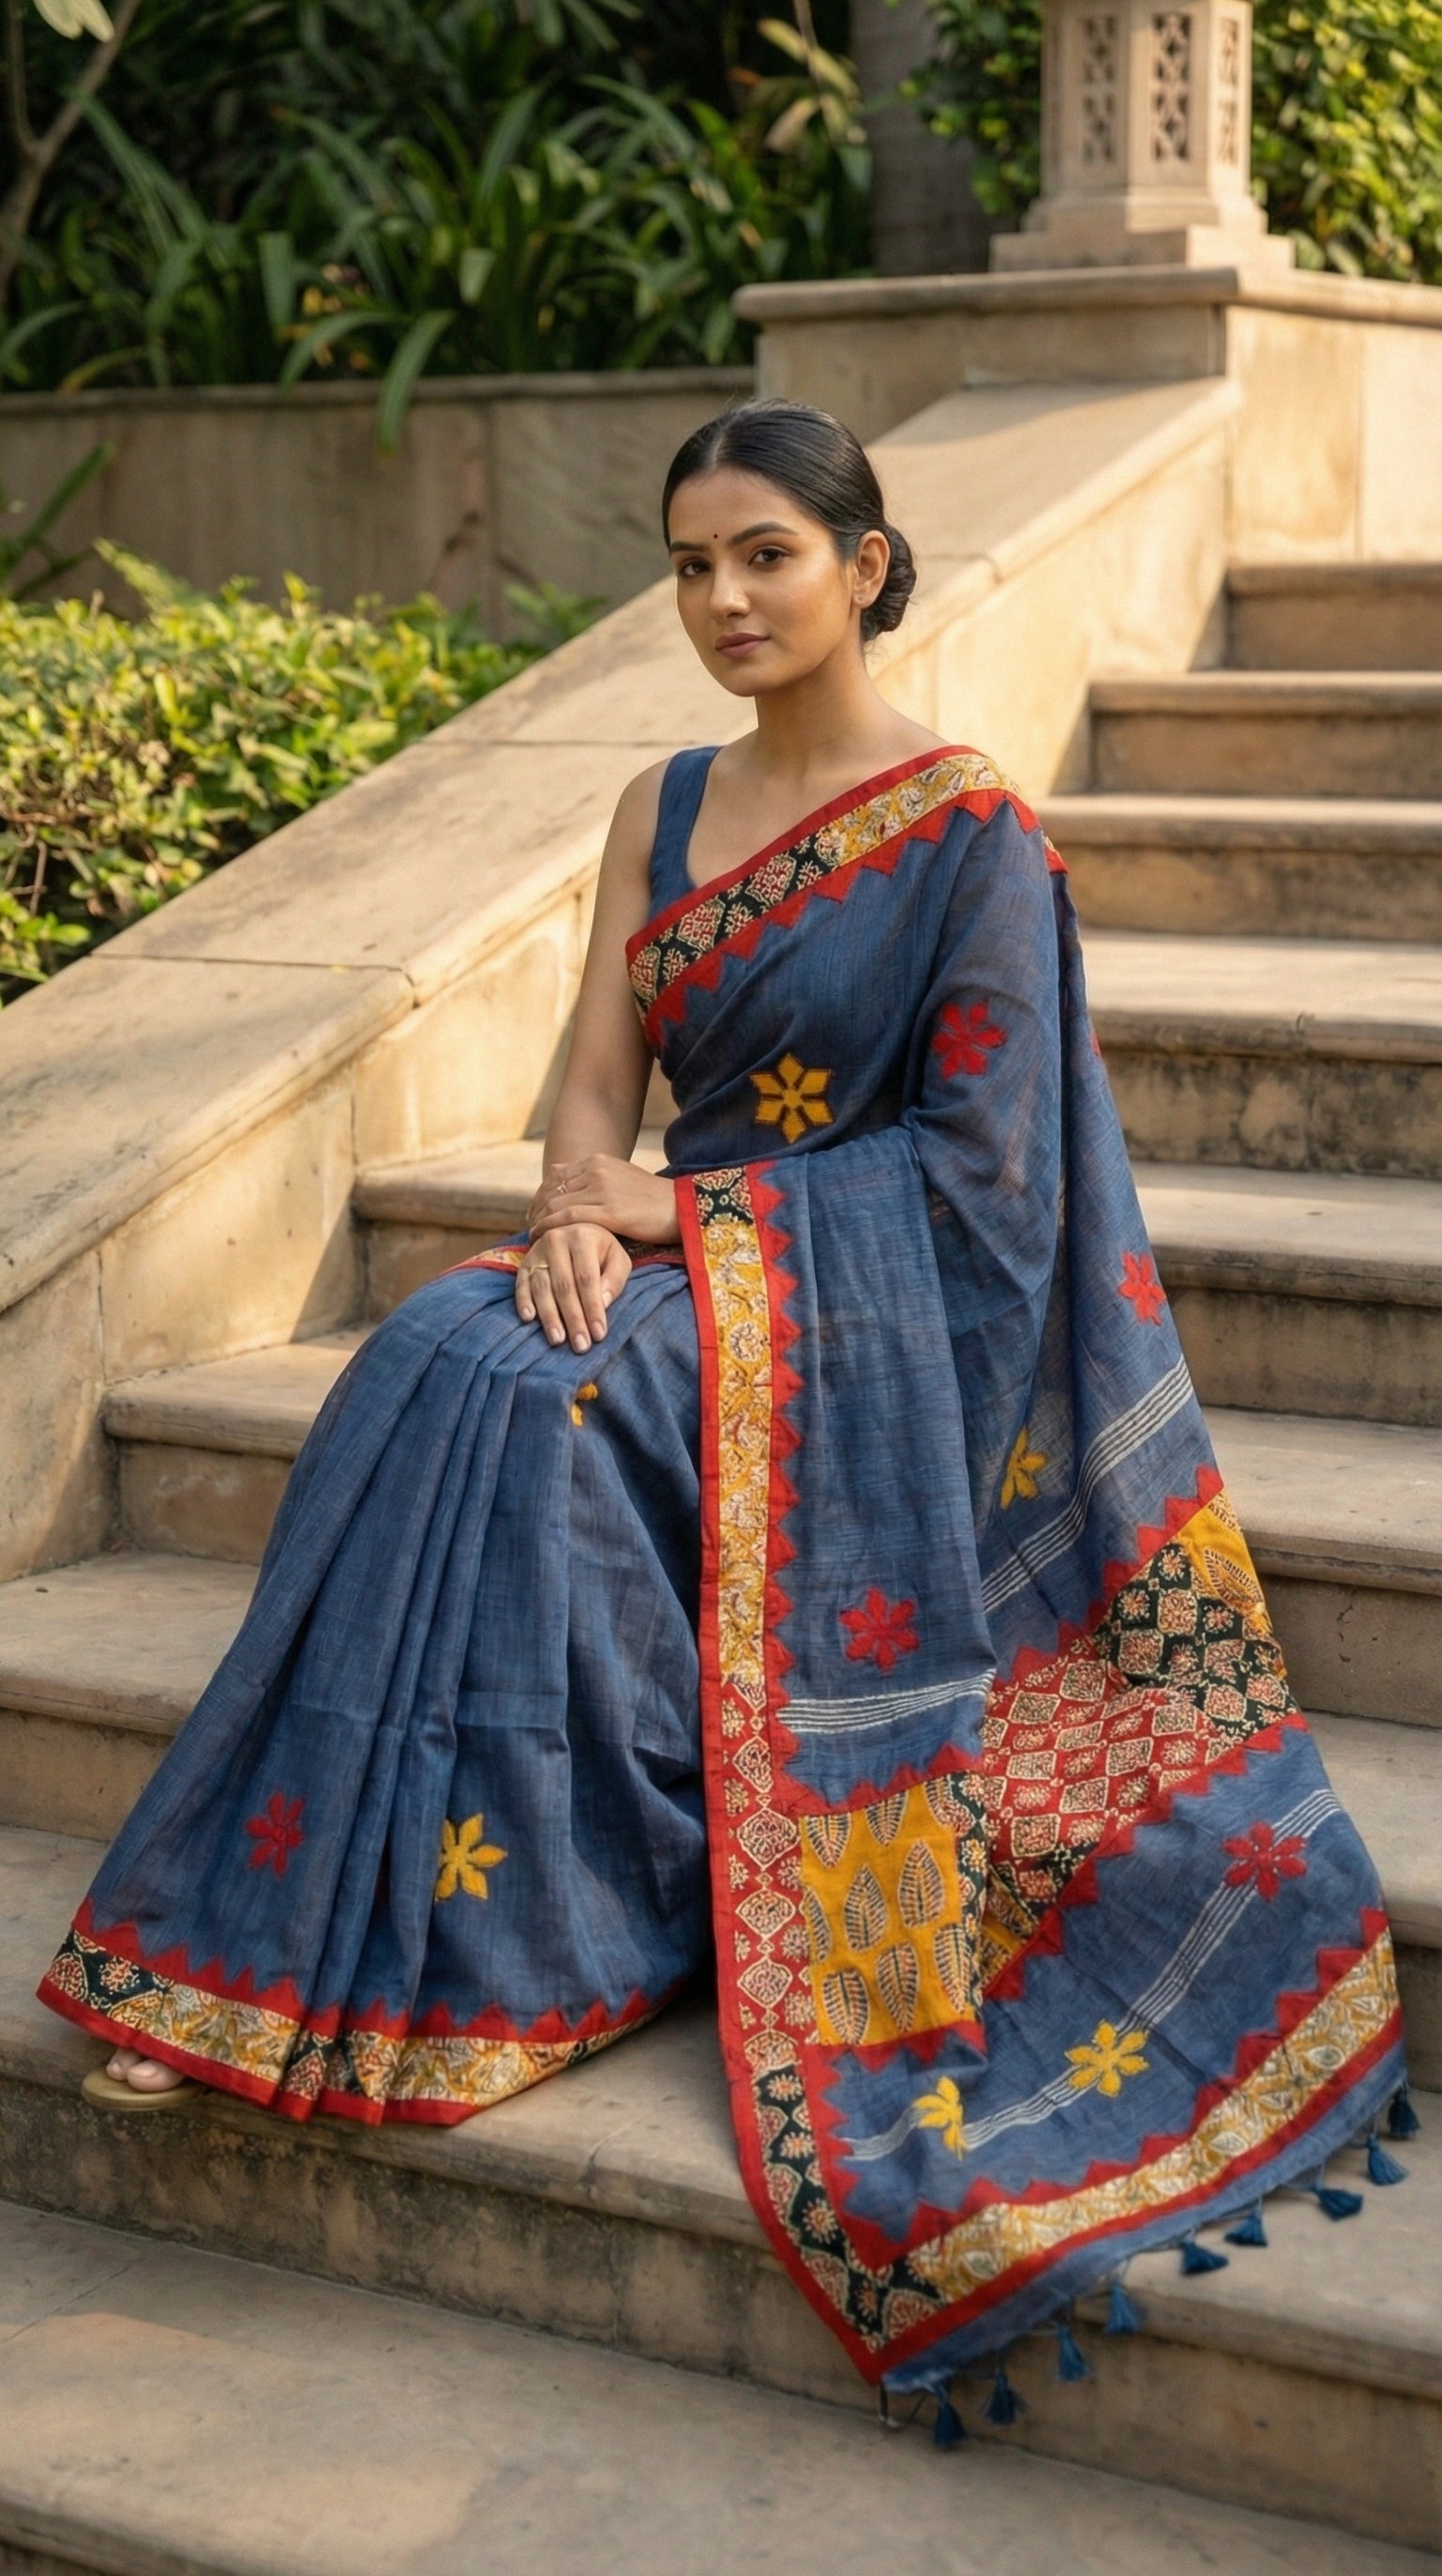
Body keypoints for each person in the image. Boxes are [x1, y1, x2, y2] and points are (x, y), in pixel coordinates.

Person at [39, 400, 1408, 2413]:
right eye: (690, 564)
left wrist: (673, 1213)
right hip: (676, 1256)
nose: (722, 599)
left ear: (865, 563)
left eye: (765, 553)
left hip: (859, 1333)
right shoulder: (657, 804)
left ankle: (561, 1934)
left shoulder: (966, 838)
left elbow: (990, 1189)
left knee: (541, 1417)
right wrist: (571, 1202)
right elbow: (598, 1063)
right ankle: (263, 1934)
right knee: (440, 1347)